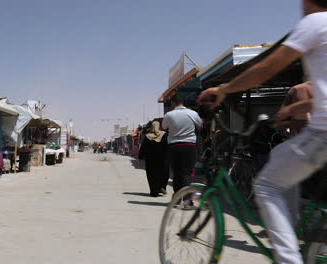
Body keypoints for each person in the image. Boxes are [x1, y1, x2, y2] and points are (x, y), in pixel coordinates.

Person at [198, 1, 327, 262]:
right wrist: (292, 110)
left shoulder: (315, 23)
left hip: (320, 136)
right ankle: (290, 227)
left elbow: (268, 67)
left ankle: (287, 256)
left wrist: (224, 89)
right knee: (284, 164)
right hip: (310, 138)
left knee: (267, 185)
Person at [162, 95, 202, 204]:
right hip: (189, 145)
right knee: (187, 173)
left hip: (174, 146)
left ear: (173, 103)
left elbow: (164, 127)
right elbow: (200, 125)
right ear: (182, 102)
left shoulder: (169, 115)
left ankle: (177, 200)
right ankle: (188, 200)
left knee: (177, 173)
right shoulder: (192, 113)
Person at [138, 121, 168, 197]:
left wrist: (140, 156)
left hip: (150, 160)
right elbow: (168, 146)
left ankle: (154, 191)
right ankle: (161, 187)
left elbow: (143, 148)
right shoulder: (164, 135)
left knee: (152, 175)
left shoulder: (148, 136)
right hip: (162, 159)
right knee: (163, 173)